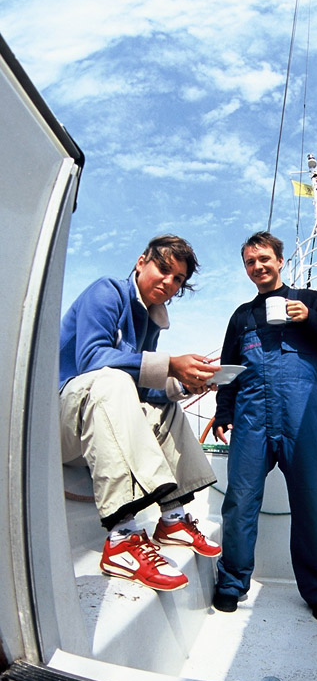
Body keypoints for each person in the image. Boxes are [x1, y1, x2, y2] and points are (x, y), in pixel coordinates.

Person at [60, 234, 221, 592]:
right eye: (163, 269)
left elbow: (143, 386)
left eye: (178, 279)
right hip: (57, 422)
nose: (169, 282)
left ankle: (173, 517)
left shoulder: (150, 320)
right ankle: (121, 539)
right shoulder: (107, 292)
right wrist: (170, 364)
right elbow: (92, 360)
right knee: (112, 380)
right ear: (141, 262)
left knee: (166, 404)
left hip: (97, 420)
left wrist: (182, 385)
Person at [213, 231, 317, 621]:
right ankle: (231, 584)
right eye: (250, 262)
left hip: (302, 416)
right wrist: (223, 412)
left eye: (264, 259)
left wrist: (311, 319)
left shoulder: (312, 301)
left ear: (280, 261)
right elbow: (227, 369)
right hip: (251, 417)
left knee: (312, 503)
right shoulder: (241, 316)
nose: (258, 267)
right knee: (239, 501)